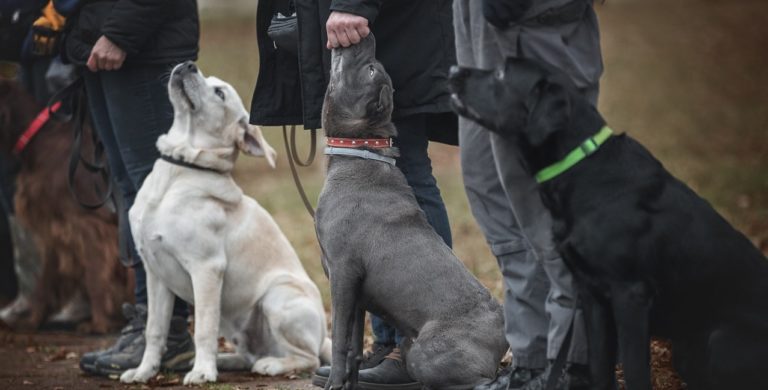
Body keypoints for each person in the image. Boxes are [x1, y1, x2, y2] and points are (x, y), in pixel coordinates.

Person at [251, 0, 457, 388]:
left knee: (406, 170)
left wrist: (354, 3)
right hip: (362, 20)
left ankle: (418, 343)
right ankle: (387, 343)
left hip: (383, 21)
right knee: (382, 190)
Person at [453, 0, 603, 389]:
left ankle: (570, 369)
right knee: (492, 193)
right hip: (478, 26)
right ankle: (532, 361)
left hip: (536, 25)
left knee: (550, 221)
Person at [59, 0, 200, 377]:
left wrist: (119, 33)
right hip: (99, 47)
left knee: (154, 196)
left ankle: (168, 333)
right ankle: (148, 324)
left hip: (140, 49)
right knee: (130, 193)